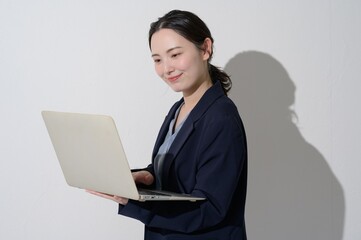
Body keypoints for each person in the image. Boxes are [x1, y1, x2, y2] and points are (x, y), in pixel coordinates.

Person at [88, 9, 248, 240]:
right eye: (157, 59)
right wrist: (148, 176)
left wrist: (132, 202)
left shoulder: (221, 118)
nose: (166, 69)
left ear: (205, 48)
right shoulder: (178, 109)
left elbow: (210, 208)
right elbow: (183, 171)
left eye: (174, 55)